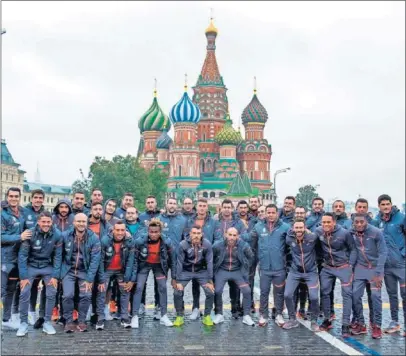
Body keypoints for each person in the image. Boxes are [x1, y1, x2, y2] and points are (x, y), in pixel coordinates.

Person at [16, 212, 62, 336]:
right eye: (44, 222)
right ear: (38, 222)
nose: (46, 224)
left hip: (47, 266)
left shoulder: (57, 234)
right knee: (24, 291)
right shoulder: (30, 233)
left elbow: (58, 257)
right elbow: (22, 256)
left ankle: (47, 322)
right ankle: (23, 323)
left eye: (48, 222)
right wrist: (23, 277)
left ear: (52, 222)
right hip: (31, 265)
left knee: (52, 291)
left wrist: (55, 276)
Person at [314, 213, 356, 337]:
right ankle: (327, 320)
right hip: (327, 267)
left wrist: (351, 265)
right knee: (325, 293)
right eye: (323, 222)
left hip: (343, 266)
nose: (325, 225)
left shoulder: (344, 233)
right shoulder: (318, 231)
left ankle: (345, 324)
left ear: (334, 222)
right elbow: (311, 241)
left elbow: (353, 249)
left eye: (328, 222)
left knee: (347, 295)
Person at [250, 204, 290, 327]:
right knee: (264, 292)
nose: (271, 215)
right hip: (265, 267)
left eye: (273, 212)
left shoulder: (285, 227)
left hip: (279, 267)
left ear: (277, 214)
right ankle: (263, 315)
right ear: (265, 213)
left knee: (279, 292)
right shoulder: (258, 226)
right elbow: (251, 243)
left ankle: (278, 314)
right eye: (269, 212)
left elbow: (290, 246)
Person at [60, 213, 101, 333]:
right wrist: (59, 274)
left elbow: (95, 260)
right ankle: (68, 321)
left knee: (86, 295)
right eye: (79, 221)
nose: (81, 224)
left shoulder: (93, 238)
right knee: (67, 295)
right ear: (74, 223)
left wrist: (89, 279)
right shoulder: (65, 235)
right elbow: (58, 255)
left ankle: (82, 321)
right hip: (69, 270)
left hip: (85, 271)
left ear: (87, 223)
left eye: (83, 221)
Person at [131, 219, 175, 328]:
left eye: (156, 232)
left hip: (159, 265)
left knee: (163, 288)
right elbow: (134, 260)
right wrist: (132, 277)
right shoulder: (140, 241)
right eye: (151, 232)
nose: (153, 234)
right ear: (148, 231)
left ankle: (163, 315)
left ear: (160, 232)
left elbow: (173, 260)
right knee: (139, 287)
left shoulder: (167, 242)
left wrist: (174, 277)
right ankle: (135, 316)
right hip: (144, 265)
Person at [350, 213, 387, 339]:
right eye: (357, 222)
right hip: (360, 267)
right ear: (353, 222)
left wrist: (379, 272)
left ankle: (377, 326)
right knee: (355, 295)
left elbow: (383, 252)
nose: (359, 224)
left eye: (362, 222)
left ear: (366, 221)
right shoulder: (352, 232)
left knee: (376, 296)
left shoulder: (376, 232)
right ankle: (361, 323)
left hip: (375, 268)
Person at [183, 198, 221, 320]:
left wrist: (209, 250)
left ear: (207, 207)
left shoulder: (214, 222)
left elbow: (218, 239)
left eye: (204, 205)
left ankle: (212, 310)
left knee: (210, 284)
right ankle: (195, 308)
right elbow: (185, 237)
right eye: (200, 205)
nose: (202, 208)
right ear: (196, 207)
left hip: (209, 257)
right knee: (195, 283)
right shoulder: (190, 221)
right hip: (194, 257)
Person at [373, 194, 405, 336]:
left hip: (401, 264)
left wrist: (403, 253)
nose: (386, 207)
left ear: (391, 204)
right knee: (392, 294)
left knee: (404, 294)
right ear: (379, 206)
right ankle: (394, 322)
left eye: (388, 204)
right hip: (387, 266)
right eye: (383, 205)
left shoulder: (401, 218)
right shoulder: (377, 221)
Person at [96, 220, 136, 330]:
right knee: (102, 290)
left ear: (125, 231)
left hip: (121, 270)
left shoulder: (130, 241)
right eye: (117, 230)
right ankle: (100, 317)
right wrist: (101, 278)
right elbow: (100, 261)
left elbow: (131, 261)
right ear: (113, 230)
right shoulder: (105, 240)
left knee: (125, 290)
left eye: (122, 230)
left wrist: (129, 279)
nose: (119, 232)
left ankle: (124, 316)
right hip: (107, 269)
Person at [172, 225, 215, 326]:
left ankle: (207, 316)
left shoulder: (207, 244)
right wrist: (177, 281)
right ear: (190, 234)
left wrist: (210, 280)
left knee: (210, 292)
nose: (196, 235)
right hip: (185, 271)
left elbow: (209, 262)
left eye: (198, 233)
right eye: (194, 233)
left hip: (201, 271)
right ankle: (179, 316)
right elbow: (179, 263)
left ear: (202, 234)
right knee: (177, 292)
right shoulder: (183, 244)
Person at [212, 227, 255, 326]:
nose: (231, 237)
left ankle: (246, 315)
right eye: (230, 235)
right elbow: (211, 258)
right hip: (222, 270)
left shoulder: (243, 245)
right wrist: (214, 270)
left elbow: (251, 257)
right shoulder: (217, 245)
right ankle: (219, 314)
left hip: (237, 271)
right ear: (225, 234)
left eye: (234, 235)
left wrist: (245, 267)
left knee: (247, 291)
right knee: (217, 290)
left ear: (238, 236)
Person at [283, 218, 320, 331]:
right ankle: (292, 319)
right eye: (296, 227)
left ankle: (314, 321)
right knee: (287, 295)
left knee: (314, 297)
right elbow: (288, 235)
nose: (299, 230)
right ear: (293, 229)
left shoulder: (312, 238)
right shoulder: (289, 239)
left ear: (305, 228)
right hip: (295, 272)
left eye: (301, 227)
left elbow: (319, 232)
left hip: (310, 272)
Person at [1, 187, 28, 330]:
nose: (13, 198)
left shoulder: (22, 213)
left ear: (19, 197)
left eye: (16, 196)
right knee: (1, 290)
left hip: (18, 258)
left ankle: (6, 319)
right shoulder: (2, 214)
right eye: (11, 196)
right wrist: (20, 237)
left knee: (11, 290)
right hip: (4, 258)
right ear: (7, 197)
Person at [216, 199, 248, 318]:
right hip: (220, 259)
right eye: (225, 207)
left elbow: (245, 236)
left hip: (235, 257)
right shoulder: (216, 221)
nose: (227, 209)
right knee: (218, 286)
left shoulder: (238, 222)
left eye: (229, 207)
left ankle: (235, 308)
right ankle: (217, 309)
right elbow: (214, 237)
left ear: (232, 209)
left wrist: (235, 241)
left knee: (235, 286)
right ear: (221, 208)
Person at [237, 200, 258, 313]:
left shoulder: (253, 220)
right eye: (241, 207)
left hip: (251, 253)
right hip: (237, 253)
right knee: (238, 279)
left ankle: (249, 303)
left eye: (245, 207)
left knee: (249, 279)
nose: (243, 209)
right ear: (238, 208)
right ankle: (237, 304)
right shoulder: (234, 220)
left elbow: (254, 236)